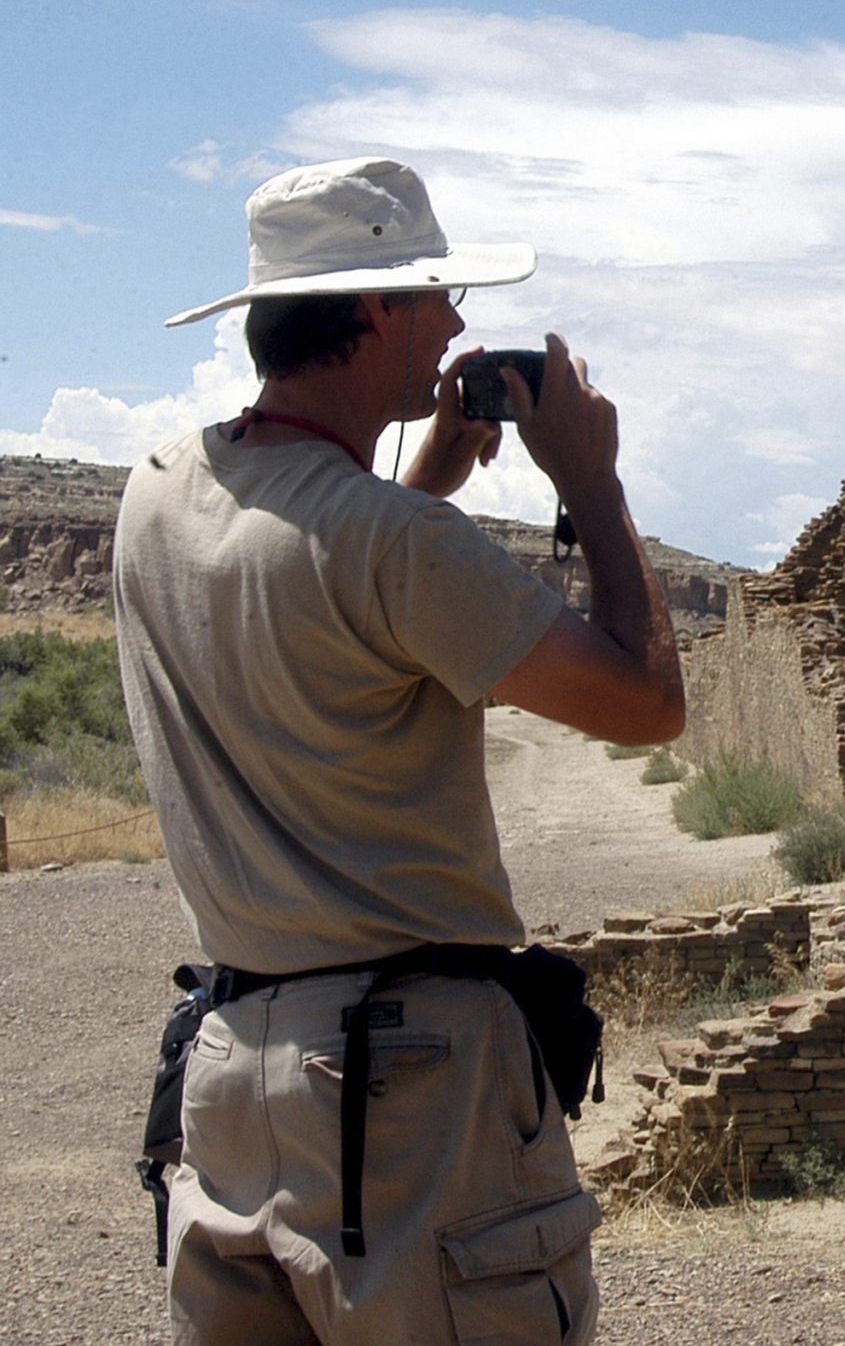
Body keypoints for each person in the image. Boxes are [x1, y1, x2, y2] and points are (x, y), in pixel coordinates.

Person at [116, 156, 684, 1345]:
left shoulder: (158, 495)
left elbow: (320, 582)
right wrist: (591, 477)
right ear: (372, 308)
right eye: (436, 295)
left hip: (231, 1071)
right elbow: (642, 703)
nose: (458, 322)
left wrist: (431, 473)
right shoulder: (398, 547)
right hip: (410, 1086)